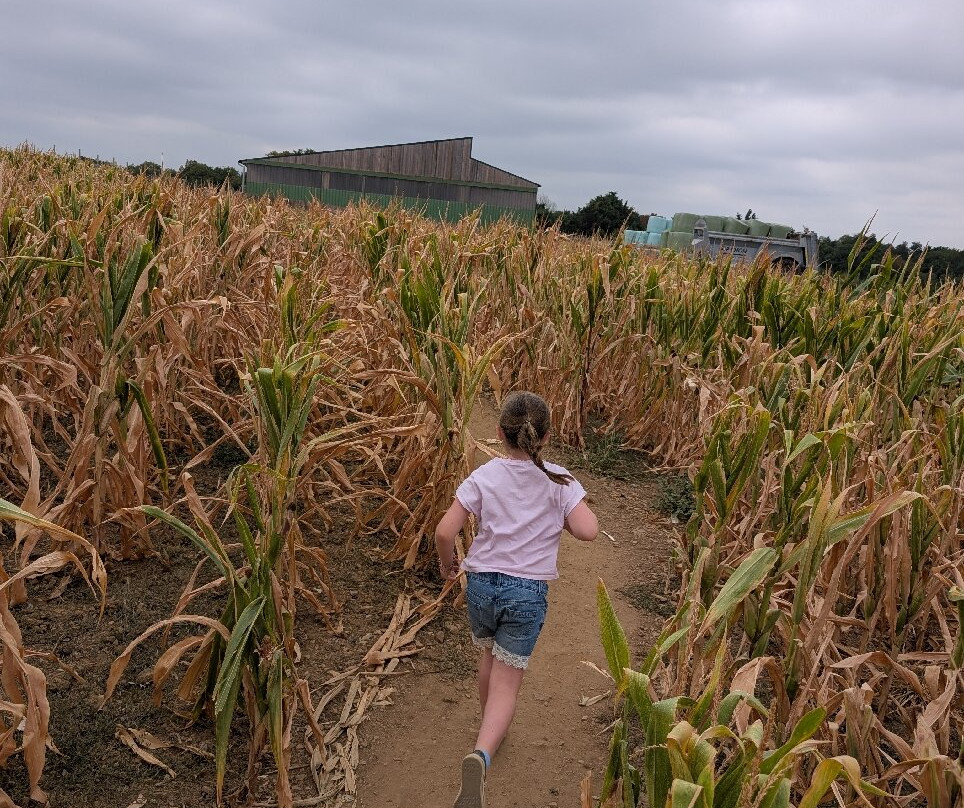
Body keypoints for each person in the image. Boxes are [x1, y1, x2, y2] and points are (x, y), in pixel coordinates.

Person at [434, 391, 599, 808]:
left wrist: (447, 565)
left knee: (489, 655)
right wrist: (563, 511)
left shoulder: (484, 476)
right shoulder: (559, 480)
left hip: (482, 585)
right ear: (544, 437)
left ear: (498, 432)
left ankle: (492, 725)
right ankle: (482, 753)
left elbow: (444, 531)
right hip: (526, 593)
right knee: (509, 681)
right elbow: (588, 531)